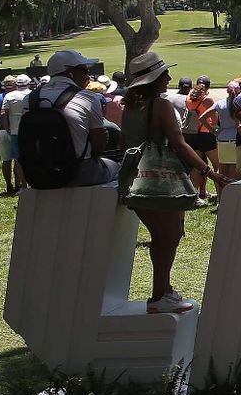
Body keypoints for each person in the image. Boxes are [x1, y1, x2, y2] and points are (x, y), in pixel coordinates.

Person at [118, 51, 223, 314]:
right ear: (154, 79)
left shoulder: (131, 105)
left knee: (165, 235)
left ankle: (163, 292)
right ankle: (159, 296)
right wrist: (208, 172)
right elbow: (178, 143)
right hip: (157, 178)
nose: (169, 77)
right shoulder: (160, 105)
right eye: (164, 73)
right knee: (169, 235)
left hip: (135, 176)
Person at [31, 50, 121, 187]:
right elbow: (98, 145)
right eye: (84, 71)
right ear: (70, 72)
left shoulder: (30, 99)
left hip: (39, 172)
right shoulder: (88, 98)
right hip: (79, 171)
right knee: (118, 169)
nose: (88, 76)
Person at [183, 77, 221, 204]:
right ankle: (220, 195)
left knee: (197, 166)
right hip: (206, 134)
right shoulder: (207, 99)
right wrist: (214, 129)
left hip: (193, 134)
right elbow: (215, 120)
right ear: (208, 87)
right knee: (217, 165)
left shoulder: (189, 97)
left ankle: (193, 194)